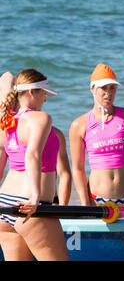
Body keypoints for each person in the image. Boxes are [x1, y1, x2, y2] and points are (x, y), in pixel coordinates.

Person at [0, 69, 69, 261]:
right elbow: (32, 155)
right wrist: (36, 198)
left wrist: (10, 97)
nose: (45, 100)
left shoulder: (8, 119)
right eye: (44, 94)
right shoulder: (40, 118)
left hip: (4, 202)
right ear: (32, 92)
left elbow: (5, 76)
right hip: (29, 204)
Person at [69, 63, 124, 207]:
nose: (108, 93)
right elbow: (78, 169)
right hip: (97, 200)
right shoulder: (79, 125)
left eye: (112, 88)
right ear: (92, 89)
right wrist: (85, 203)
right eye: (103, 88)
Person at [53, 127, 72, 205]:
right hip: (17, 196)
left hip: (50, 200)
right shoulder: (13, 130)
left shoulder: (55, 134)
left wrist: (63, 206)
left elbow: (64, 174)